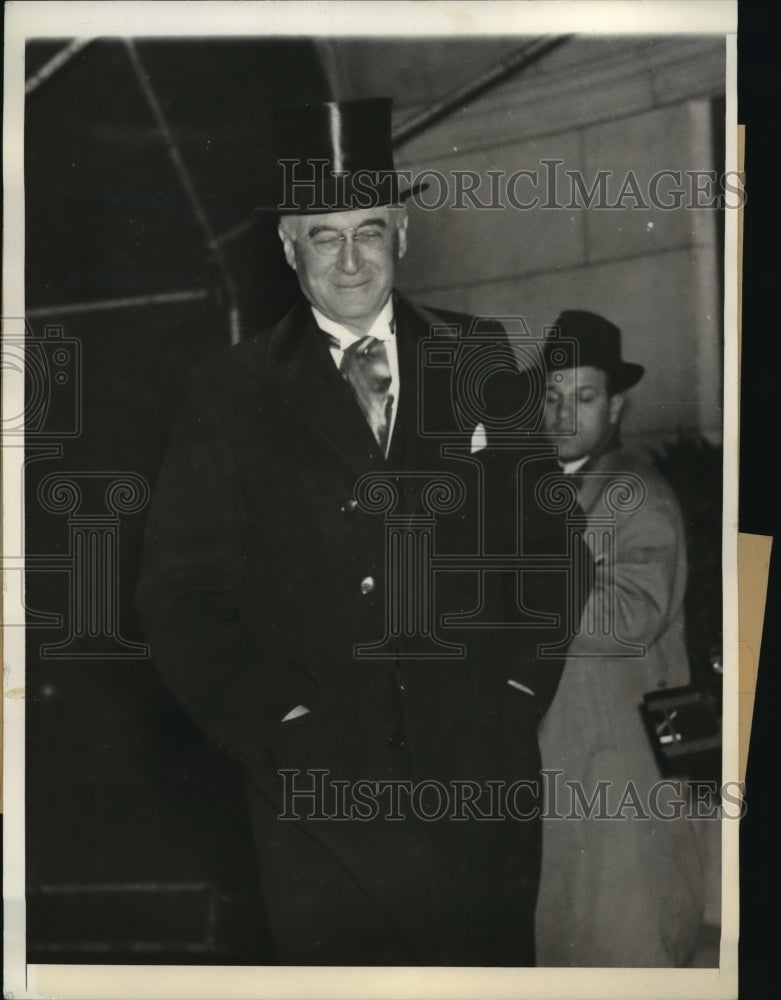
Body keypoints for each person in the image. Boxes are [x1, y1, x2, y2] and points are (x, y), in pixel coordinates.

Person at [136, 98, 584, 967]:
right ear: (287, 245)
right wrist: (278, 721)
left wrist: (518, 697)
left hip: (475, 788)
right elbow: (182, 596)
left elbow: (552, 551)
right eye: (324, 236)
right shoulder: (230, 393)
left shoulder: (478, 358)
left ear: (402, 235)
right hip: (318, 798)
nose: (350, 259)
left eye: (369, 231)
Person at [533, 310, 706, 967]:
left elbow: (631, 613)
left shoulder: (633, 492)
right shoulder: (548, 488)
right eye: (551, 397)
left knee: (623, 944)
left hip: (619, 761)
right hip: (571, 756)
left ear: (616, 404)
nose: (562, 413)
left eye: (581, 398)